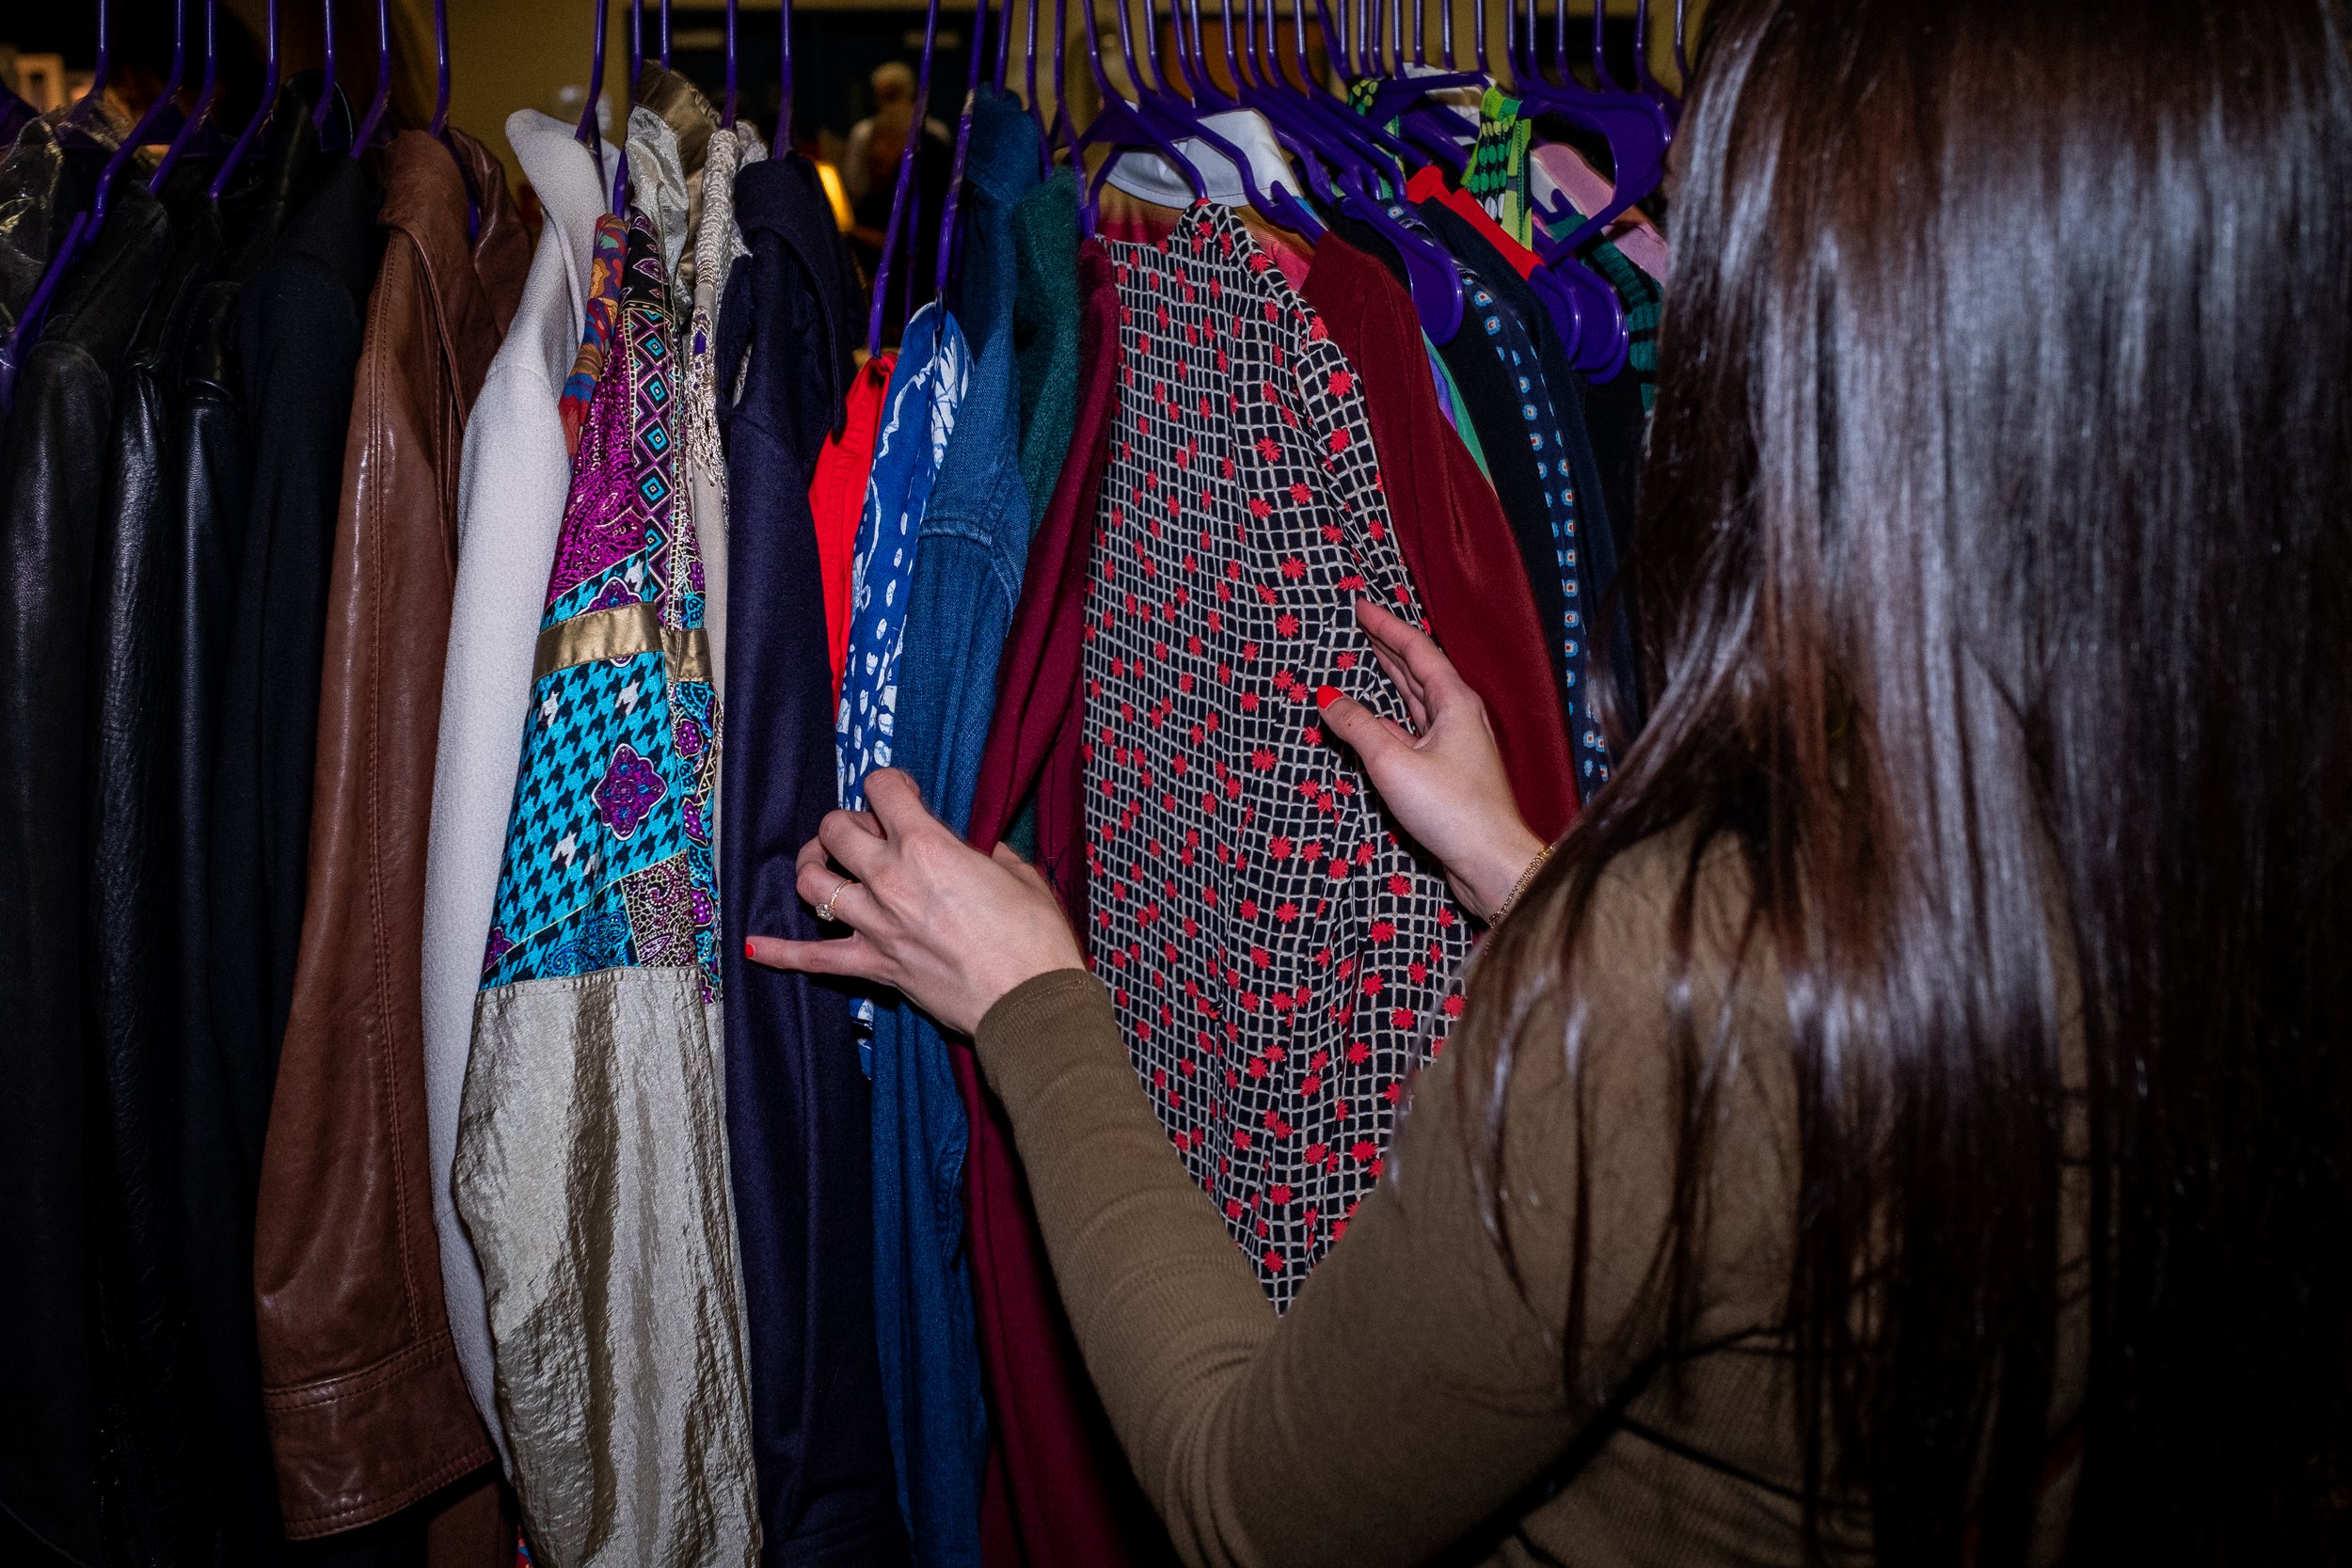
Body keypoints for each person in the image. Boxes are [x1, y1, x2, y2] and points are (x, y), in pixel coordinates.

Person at [750, 0, 2352, 1560]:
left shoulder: (1680, 978)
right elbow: (1827, 1110)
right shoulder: (2221, 858)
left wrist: (1035, 996)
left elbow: (1256, 1507)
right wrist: (1525, 870)